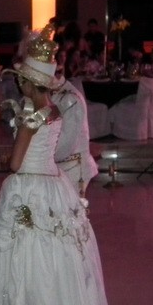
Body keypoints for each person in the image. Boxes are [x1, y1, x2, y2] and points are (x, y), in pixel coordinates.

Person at [0, 24, 126, 305]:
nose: (19, 85)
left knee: (27, 254)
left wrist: (7, 157)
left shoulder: (31, 117)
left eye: (22, 81)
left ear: (29, 84)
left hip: (29, 185)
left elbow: (16, 164)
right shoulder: (55, 110)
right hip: (54, 183)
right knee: (55, 253)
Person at [51, 50, 99, 197]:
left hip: (73, 170)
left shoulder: (70, 99)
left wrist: (37, 155)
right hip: (61, 169)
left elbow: (66, 145)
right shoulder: (51, 95)